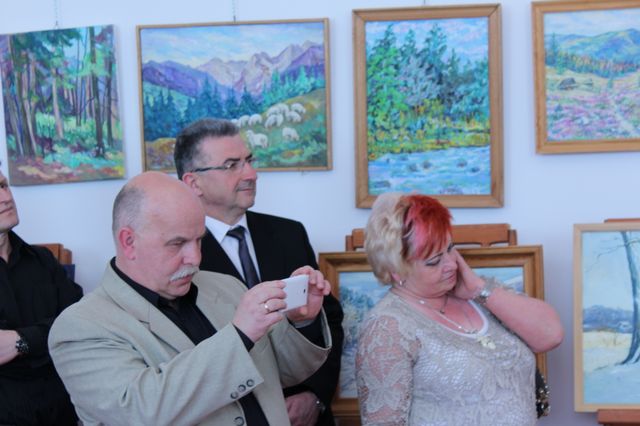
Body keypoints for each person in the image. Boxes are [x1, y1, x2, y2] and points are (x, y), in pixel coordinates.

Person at [48, 172, 333, 426]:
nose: (195, 258)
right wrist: (240, 335)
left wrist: (300, 322)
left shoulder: (227, 286)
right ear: (129, 242)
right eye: (177, 243)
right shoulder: (80, 327)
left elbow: (280, 373)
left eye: (198, 240)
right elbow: (142, 411)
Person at [174, 118, 344, 426]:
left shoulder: (289, 234)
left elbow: (328, 319)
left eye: (249, 161)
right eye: (232, 165)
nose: (251, 174)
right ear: (193, 182)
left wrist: (315, 395)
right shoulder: (176, 257)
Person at [356, 193, 564, 425]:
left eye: (450, 248)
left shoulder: (480, 293)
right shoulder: (387, 327)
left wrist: (478, 289)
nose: (451, 264)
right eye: (434, 261)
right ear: (396, 270)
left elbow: (551, 335)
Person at [0, 169, 82, 425]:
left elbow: (80, 324)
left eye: (3, 185)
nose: (6, 197)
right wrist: (45, 337)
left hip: (63, 408)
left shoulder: (43, 260)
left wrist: (21, 341)